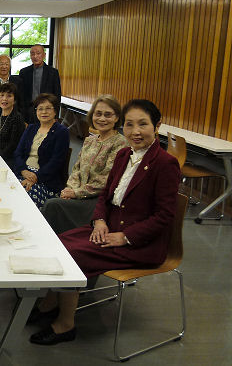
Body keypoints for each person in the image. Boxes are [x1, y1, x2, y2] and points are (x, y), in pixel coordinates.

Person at [28, 99, 181, 346]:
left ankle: (65, 324)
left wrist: (126, 236)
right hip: (109, 229)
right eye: (130, 124)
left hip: (139, 244)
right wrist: (99, 220)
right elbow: (105, 196)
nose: (135, 131)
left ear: (157, 126)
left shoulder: (165, 164)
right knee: (58, 244)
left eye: (143, 124)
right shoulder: (124, 155)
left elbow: (164, 216)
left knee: (72, 254)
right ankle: (51, 302)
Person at [41, 95, 127, 233]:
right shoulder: (89, 141)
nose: (102, 118)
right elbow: (76, 169)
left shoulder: (121, 144)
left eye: (108, 115)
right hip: (77, 195)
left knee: (52, 206)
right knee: (50, 208)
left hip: (97, 201)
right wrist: (70, 190)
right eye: (98, 114)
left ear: (116, 117)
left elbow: (106, 180)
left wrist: (76, 193)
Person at [13, 93, 69, 207]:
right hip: (24, 173)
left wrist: (35, 177)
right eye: (40, 109)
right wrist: (23, 171)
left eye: (48, 108)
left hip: (45, 180)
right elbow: (18, 153)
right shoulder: (31, 128)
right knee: (8, 189)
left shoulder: (62, 132)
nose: (44, 112)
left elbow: (56, 161)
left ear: (55, 111)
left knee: (24, 197)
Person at [0, 82, 27, 170]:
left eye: (9, 96)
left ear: (15, 100)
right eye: (2, 95)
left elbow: (14, 144)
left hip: (10, 159)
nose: (4, 99)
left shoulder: (17, 118)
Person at [19, 44, 61, 123]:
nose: (35, 56)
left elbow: (57, 95)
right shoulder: (24, 72)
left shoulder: (53, 72)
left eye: (38, 53)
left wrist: (56, 116)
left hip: (47, 111)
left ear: (44, 55)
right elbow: (21, 96)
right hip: (28, 111)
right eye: (32, 54)